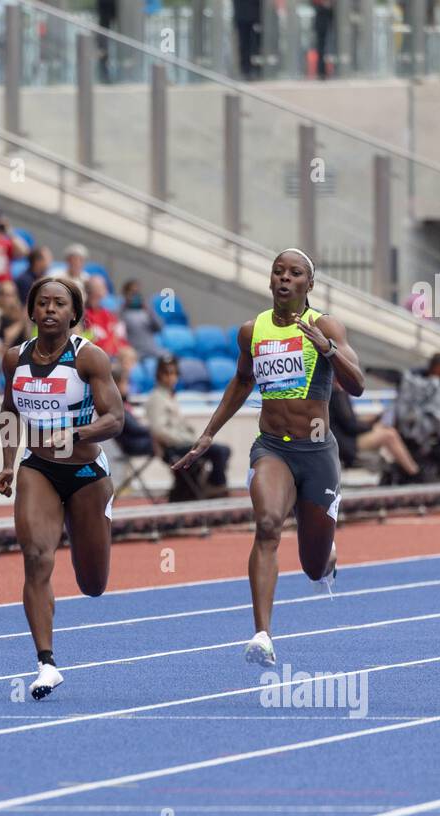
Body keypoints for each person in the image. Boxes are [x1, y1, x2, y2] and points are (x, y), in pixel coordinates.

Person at [173, 249, 364, 667]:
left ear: (309, 285)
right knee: (266, 525)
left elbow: (358, 385)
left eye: (295, 273)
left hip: (316, 452)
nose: (284, 279)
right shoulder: (252, 331)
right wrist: (208, 433)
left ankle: (327, 555)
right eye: (278, 272)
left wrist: (329, 349)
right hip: (273, 447)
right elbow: (242, 381)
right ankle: (262, 635)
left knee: (313, 567)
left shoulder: (325, 325)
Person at [0, 276, 124, 699]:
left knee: (93, 583)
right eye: (43, 303)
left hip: (87, 474)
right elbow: (9, 410)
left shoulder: (90, 360)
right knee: (35, 557)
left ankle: (95, 534)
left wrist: (73, 434)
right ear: (31, 311)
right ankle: (46, 663)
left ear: (73, 314)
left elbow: (115, 420)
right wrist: (7, 465)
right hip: (39, 468)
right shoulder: (14, 359)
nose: (50, 310)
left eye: (59, 304)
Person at [147, 354, 230, 497]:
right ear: (159, 375)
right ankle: (214, 486)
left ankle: (206, 486)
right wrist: (187, 442)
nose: (171, 377)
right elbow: (159, 431)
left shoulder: (169, 396)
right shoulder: (156, 398)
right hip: (172, 448)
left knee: (223, 450)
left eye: (174, 373)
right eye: (166, 373)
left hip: (181, 444)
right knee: (219, 451)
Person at [329, 377, 420, 479]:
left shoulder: (335, 393)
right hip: (346, 442)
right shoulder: (337, 395)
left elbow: (348, 419)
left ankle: (399, 467)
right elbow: (350, 426)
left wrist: (372, 420)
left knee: (385, 430)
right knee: (389, 435)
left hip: (345, 438)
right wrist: (372, 426)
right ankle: (413, 472)